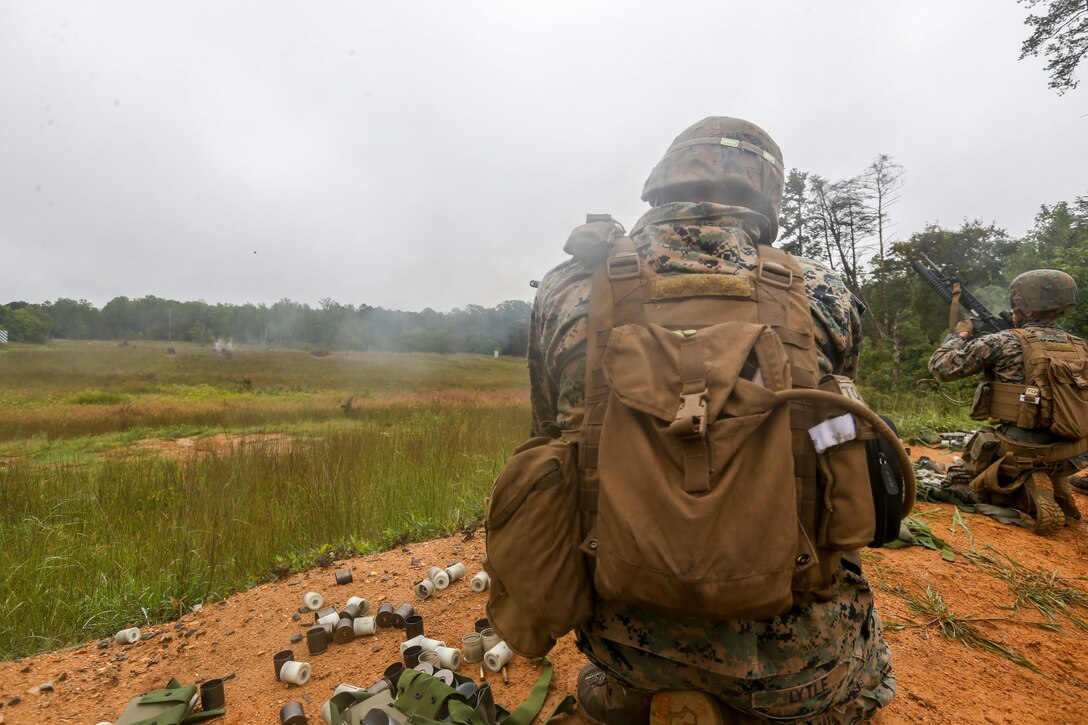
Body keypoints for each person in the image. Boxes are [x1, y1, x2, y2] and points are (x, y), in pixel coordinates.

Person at [527, 117, 895, 724]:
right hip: (797, 665)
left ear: (662, 183)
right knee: (867, 682)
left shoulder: (566, 289)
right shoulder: (824, 294)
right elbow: (834, 435)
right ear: (766, 195)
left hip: (624, 646)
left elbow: (547, 436)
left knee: (600, 687)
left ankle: (643, 692)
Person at [928, 270, 1084, 533]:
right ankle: (1056, 484)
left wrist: (961, 335)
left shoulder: (1002, 341)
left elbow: (941, 367)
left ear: (1022, 304)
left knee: (957, 482)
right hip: (1071, 451)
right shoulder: (1080, 346)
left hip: (1018, 447)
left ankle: (1021, 491)